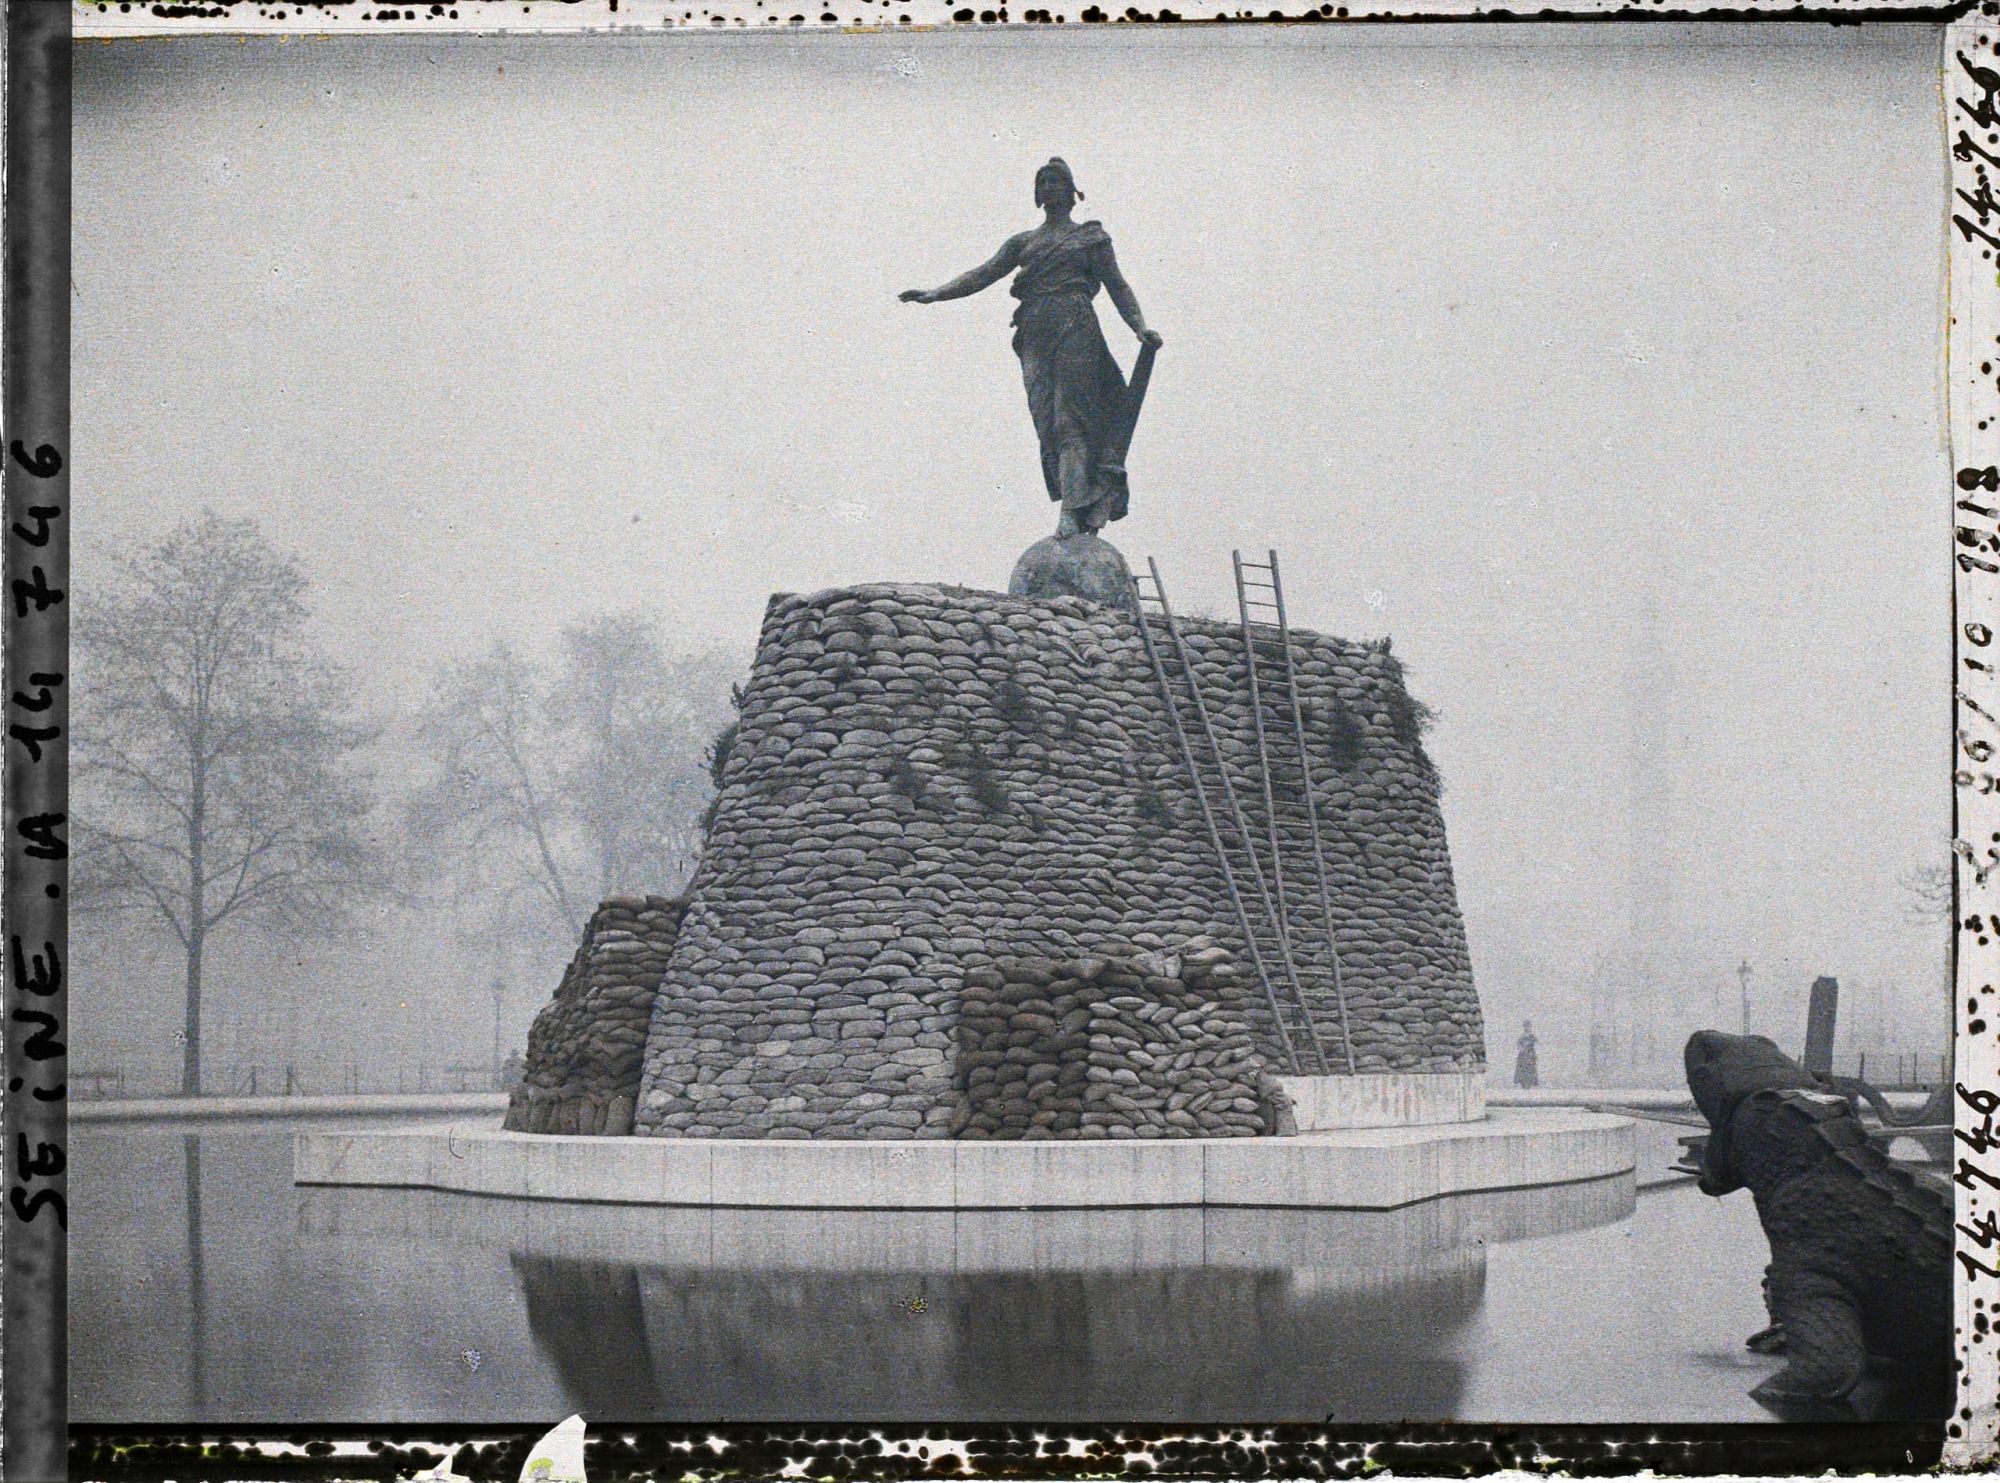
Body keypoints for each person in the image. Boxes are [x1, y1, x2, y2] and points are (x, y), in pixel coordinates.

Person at [901, 158, 1163, 537]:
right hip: (1034, 333)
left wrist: (1139, 327)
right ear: (1037, 194)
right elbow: (983, 274)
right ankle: (1075, 500)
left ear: (1073, 192)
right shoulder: (1023, 243)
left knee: (1070, 418)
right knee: (1047, 424)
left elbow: (1117, 285)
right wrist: (934, 294)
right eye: (1044, 182)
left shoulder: (1090, 238)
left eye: (1058, 180)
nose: (1051, 186)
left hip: (1076, 325)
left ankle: (1074, 511)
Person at [1514, 1018, 1540, 1090]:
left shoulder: (1532, 1036)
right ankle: (1523, 1084)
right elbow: (1519, 1045)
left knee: (1531, 1071)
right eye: (1525, 1026)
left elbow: (1535, 1044)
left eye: (1528, 1026)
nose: (1526, 1028)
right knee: (1522, 1071)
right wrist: (1521, 1048)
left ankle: (1531, 1084)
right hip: (1522, 1056)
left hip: (1530, 1056)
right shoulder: (1522, 1036)